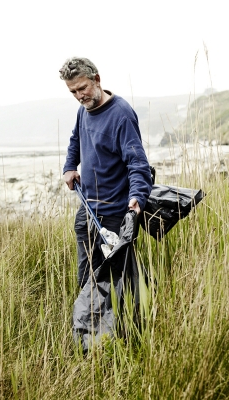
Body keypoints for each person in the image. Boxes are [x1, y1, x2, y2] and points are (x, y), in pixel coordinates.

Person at [59, 57, 153, 287]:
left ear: (97, 79)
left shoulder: (121, 114)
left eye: (82, 88)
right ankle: (88, 321)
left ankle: (127, 322)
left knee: (116, 282)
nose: (80, 96)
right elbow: (76, 139)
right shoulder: (84, 110)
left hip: (114, 216)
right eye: (73, 92)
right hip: (88, 209)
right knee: (86, 277)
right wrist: (70, 167)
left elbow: (138, 163)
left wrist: (137, 198)